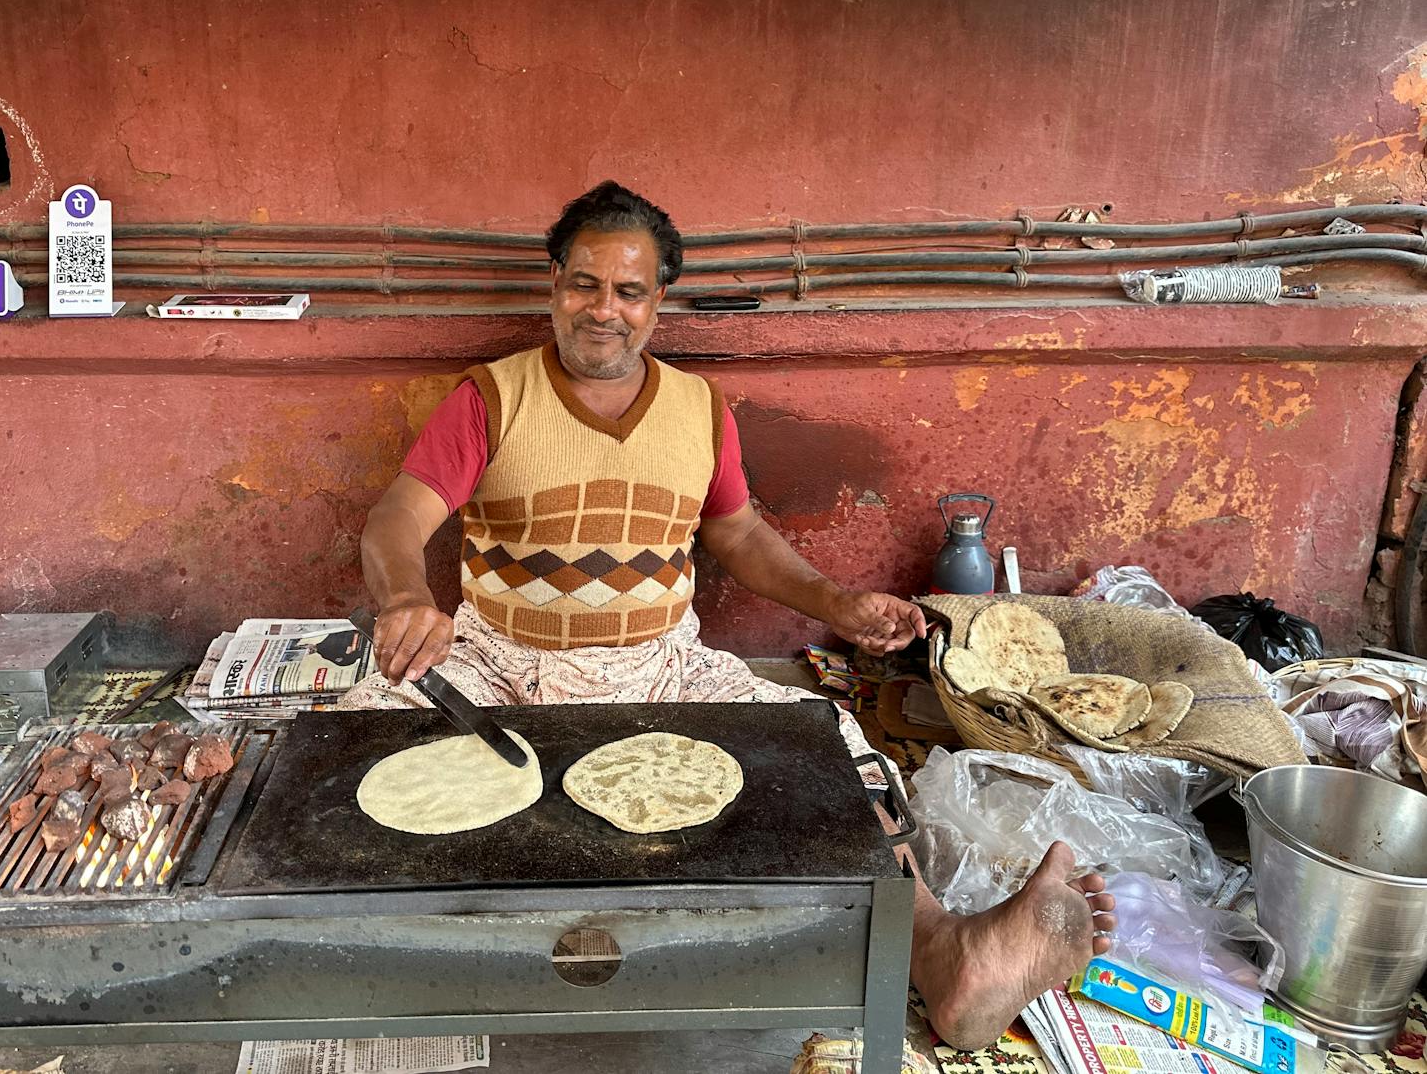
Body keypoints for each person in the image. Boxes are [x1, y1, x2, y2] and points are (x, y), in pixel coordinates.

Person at [340, 180, 1116, 1050]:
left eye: (628, 291)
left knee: (837, 758)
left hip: (663, 667)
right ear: (552, 284)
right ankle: (417, 975)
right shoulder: (490, 397)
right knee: (353, 756)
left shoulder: (698, 410)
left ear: (657, 301)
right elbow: (397, 518)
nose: (604, 310)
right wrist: (406, 596)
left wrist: (835, 602)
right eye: (583, 284)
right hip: (502, 664)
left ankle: (942, 951)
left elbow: (740, 536)